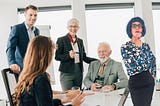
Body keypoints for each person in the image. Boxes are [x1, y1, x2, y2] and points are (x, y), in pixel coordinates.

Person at [13, 36, 84, 106]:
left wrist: (62, 100)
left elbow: (44, 100)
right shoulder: (41, 79)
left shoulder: (27, 74)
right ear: (45, 56)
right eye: (51, 54)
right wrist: (73, 105)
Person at [121, 17, 156, 106]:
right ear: (130, 29)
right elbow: (135, 66)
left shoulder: (146, 46)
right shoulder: (125, 47)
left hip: (148, 81)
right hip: (136, 82)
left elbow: (152, 60)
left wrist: (153, 76)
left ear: (142, 29)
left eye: (139, 26)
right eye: (134, 26)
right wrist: (138, 48)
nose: (137, 28)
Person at [55, 18, 96, 91]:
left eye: (75, 26)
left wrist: (98, 61)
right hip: (66, 73)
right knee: (68, 95)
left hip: (78, 72)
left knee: (77, 94)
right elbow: (57, 57)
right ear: (67, 27)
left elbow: (84, 57)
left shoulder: (80, 41)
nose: (73, 28)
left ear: (78, 28)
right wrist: (69, 56)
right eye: (71, 26)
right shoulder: (61, 40)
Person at [6, 5, 40, 74]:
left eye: (35, 15)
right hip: (21, 68)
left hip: (35, 68)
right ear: (25, 15)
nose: (33, 18)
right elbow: (10, 47)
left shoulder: (37, 31)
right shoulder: (17, 29)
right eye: (30, 15)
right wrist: (12, 63)